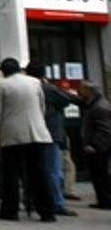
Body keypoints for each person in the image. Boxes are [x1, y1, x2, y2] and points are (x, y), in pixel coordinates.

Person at [0, 58, 54, 222]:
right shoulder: (35, 82)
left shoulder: (0, 86)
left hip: (12, 135)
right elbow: (41, 107)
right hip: (36, 133)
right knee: (38, 173)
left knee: (10, 174)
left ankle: (10, 210)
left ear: (3, 71)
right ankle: (46, 211)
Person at [25, 61, 79, 217]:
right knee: (53, 171)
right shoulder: (47, 88)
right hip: (49, 134)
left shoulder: (26, 88)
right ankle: (56, 203)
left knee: (33, 170)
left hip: (30, 133)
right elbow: (65, 100)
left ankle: (32, 201)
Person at [76, 81, 111, 209]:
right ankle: (102, 200)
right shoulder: (92, 104)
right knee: (98, 175)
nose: (79, 92)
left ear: (88, 90)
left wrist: (94, 145)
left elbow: (105, 130)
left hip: (99, 147)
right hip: (97, 146)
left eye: (81, 89)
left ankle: (106, 200)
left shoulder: (99, 107)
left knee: (101, 174)